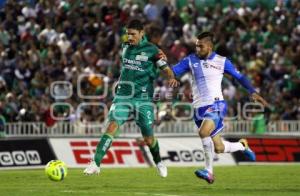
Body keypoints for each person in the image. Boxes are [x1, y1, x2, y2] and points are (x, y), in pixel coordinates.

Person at [84, 19, 179, 177]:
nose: (129, 37)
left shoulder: (153, 50)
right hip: (123, 97)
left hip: (143, 99)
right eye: (127, 34)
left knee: (148, 139)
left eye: (133, 34)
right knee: (112, 127)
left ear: (142, 34)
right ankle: (95, 163)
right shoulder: (125, 45)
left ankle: (158, 161)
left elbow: (165, 68)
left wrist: (170, 76)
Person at [172, 32, 268, 184]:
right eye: (196, 45)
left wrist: (252, 91)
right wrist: (165, 70)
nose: (197, 48)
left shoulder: (222, 61)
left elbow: (240, 77)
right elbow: (173, 71)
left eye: (200, 46)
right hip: (199, 108)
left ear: (209, 46)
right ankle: (242, 145)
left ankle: (209, 172)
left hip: (216, 104)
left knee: (203, 132)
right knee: (218, 147)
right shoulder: (190, 60)